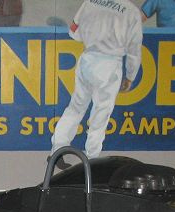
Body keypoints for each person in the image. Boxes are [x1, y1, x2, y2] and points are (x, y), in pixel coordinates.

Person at [50, 0, 142, 167]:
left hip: (87, 59)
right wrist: (130, 76)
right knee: (100, 114)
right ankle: (92, 159)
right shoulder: (131, 11)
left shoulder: (91, 1)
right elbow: (134, 50)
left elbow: (73, 31)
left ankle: (57, 150)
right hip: (110, 64)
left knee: (75, 107)